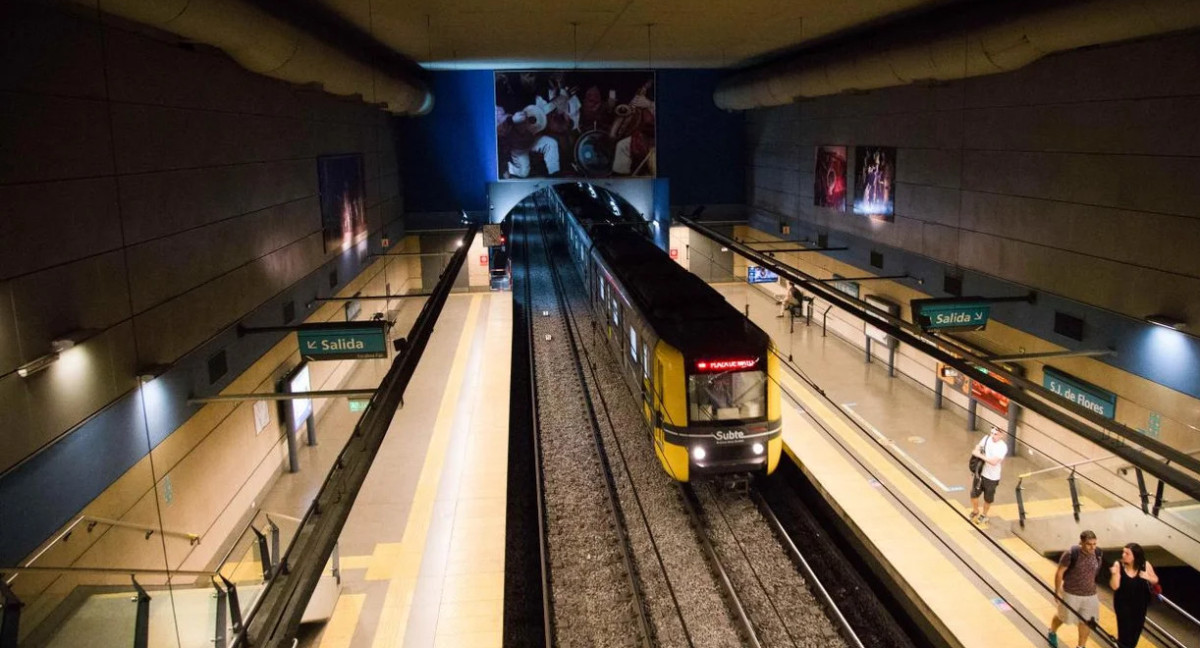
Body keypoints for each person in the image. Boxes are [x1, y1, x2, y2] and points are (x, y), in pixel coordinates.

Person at [1048, 530, 1102, 648]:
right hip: (1071, 593)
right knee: (1063, 617)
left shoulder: (1097, 553)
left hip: (1090, 594)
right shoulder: (1071, 554)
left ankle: (1081, 646)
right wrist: (1057, 591)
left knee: (1087, 621)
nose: (1092, 547)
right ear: (1081, 543)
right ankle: (1052, 631)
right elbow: (1059, 572)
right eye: (1089, 544)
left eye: (1094, 544)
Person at [1110, 542, 1159, 647]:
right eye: (1123, 552)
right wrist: (1114, 574)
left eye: (1127, 553)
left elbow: (1155, 579)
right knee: (1125, 632)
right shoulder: (1118, 565)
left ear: (1135, 556)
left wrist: (1148, 577)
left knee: (1136, 632)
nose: (1123, 555)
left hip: (1140, 605)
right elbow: (1115, 586)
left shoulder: (1145, 565)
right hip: (1123, 604)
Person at [968, 425, 1008, 527]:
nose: (993, 436)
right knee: (973, 494)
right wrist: (977, 449)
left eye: (996, 434)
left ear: (1002, 435)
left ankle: (984, 515)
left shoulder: (1002, 447)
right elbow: (979, 446)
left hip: (992, 477)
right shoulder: (986, 438)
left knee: (988, 498)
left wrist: (979, 455)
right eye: (992, 433)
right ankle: (975, 510)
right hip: (980, 473)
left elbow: (994, 462)